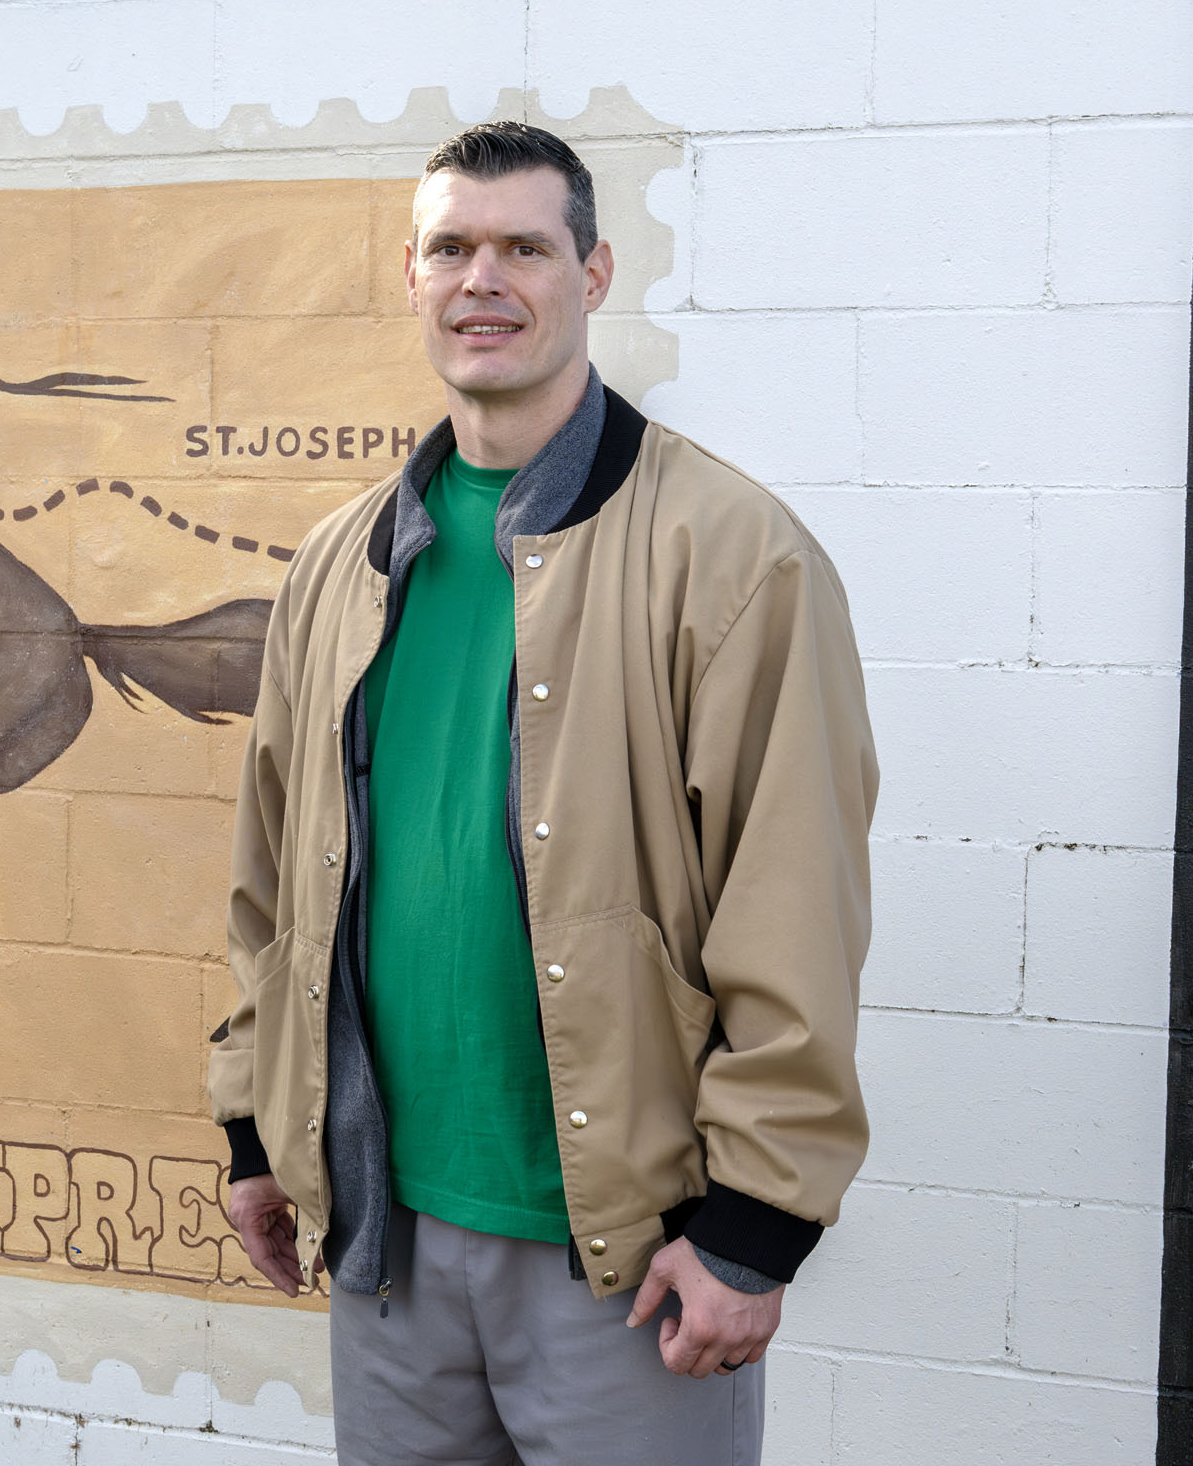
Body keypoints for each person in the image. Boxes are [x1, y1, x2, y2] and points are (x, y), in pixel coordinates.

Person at [207, 123, 876, 1464]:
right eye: (452, 247)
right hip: (385, 1233)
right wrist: (256, 1121)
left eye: (526, 245)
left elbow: (793, 893)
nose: (485, 279)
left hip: (625, 1260)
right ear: (411, 275)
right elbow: (273, 873)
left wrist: (756, 1221)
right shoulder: (339, 564)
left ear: (596, 271)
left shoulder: (731, 555)